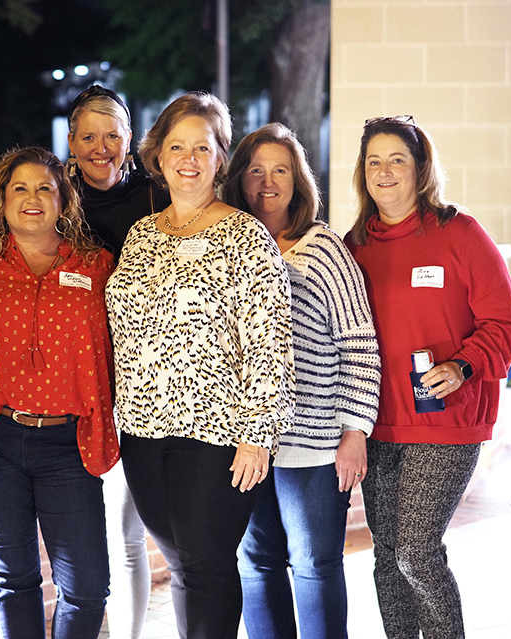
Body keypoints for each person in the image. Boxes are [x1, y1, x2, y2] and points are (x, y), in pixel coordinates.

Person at [105, 92, 295, 639]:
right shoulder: (142, 236)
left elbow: (270, 343)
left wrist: (258, 435)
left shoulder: (245, 236)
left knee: (207, 567)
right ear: (158, 157)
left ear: (219, 158)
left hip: (219, 435)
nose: (189, 158)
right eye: (176, 146)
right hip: (142, 433)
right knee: (183, 566)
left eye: (202, 147)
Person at [344, 115, 511, 639]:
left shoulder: (458, 232)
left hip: (445, 420)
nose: (385, 171)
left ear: (420, 168)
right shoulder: (355, 245)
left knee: (416, 553)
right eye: (374, 160)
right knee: (386, 558)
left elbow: (504, 321)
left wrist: (462, 365)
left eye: (397, 159)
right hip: (378, 422)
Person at [222, 123, 381, 639]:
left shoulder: (323, 248)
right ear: (238, 178)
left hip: (311, 444)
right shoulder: (226, 246)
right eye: (256, 171)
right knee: (255, 563)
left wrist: (355, 430)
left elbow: (359, 343)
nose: (267, 182)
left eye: (281, 171)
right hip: (241, 440)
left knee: (314, 563)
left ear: (299, 180)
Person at [0, 146, 119, 639]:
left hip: (69, 445)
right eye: (19, 188)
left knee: (88, 588)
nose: (33, 198)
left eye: (45, 188)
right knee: (14, 579)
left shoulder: (97, 265)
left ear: (64, 201)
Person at [66, 84, 170, 639]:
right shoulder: (54, 200)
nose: (100, 147)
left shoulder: (158, 197)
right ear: (71, 140)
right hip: (75, 385)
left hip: (146, 384)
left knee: (127, 531)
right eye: (89, 136)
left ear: (130, 139)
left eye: (112, 135)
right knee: (85, 537)